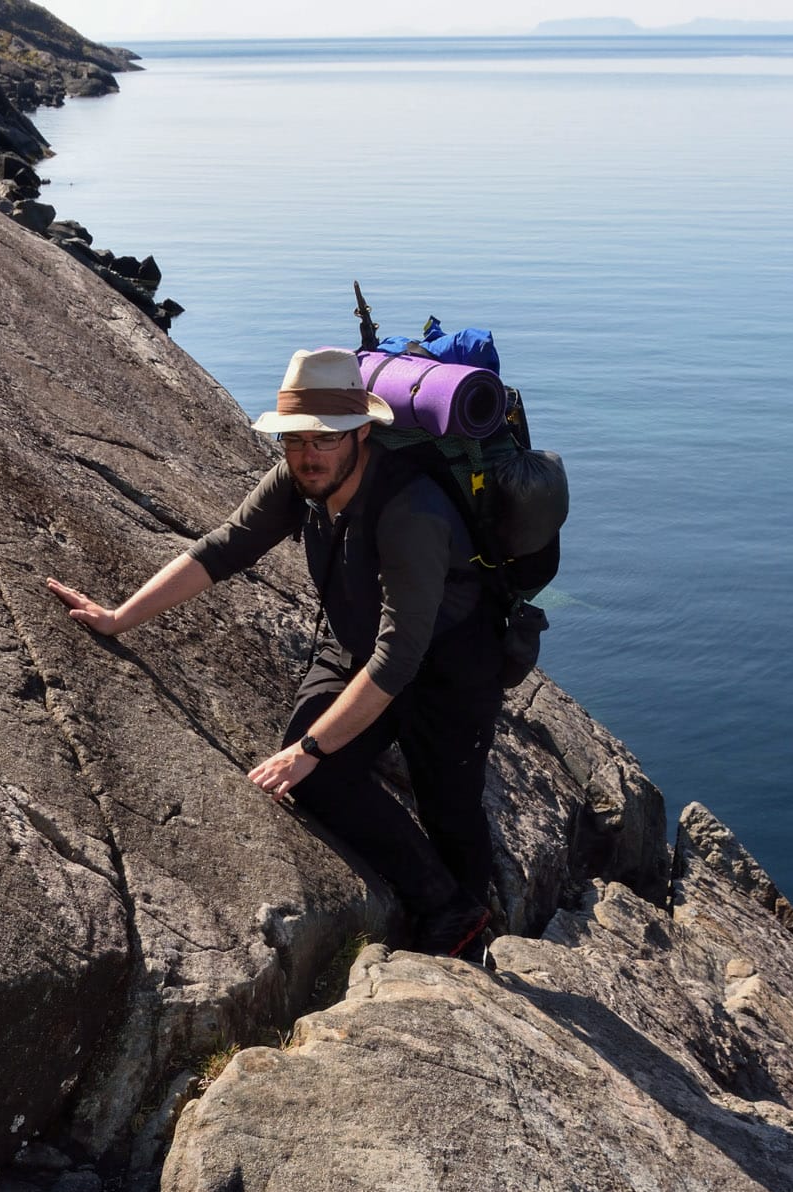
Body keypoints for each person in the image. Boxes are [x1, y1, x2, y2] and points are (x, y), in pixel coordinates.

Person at [46, 347, 505, 958]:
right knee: (313, 778)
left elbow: (400, 657)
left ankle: (469, 925)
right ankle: (441, 902)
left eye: (324, 438)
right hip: (357, 646)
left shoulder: (411, 511)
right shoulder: (302, 478)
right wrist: (120, 617)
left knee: (448, 809)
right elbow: (226, 546)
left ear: (361, 432)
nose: (307, 452)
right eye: (294, 438)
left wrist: (311, 747)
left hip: (447, 667)